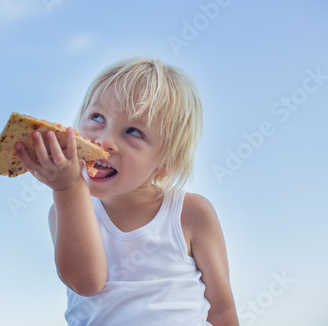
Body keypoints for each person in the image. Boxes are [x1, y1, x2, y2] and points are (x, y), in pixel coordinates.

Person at [15, 57, 239, 325]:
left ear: (166, 163)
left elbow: (222, 310)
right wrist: (66, 189)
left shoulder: (191, 214)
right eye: (97, 117)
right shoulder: (63, 210)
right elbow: (86, 283)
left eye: (133, 131)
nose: (105, 140)